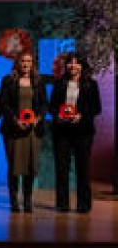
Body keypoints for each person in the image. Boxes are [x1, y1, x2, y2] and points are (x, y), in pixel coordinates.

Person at [49, 52, 101, 213]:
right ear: (66, 66)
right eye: (70, 63)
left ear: (82, 66)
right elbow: (52, 107)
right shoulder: (59, 83)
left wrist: (81, 115)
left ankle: (83, 204)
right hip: (61, 131)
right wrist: (57, 115)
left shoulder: (91, 84)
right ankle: (62, 204)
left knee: (82, 168)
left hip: (83, 132)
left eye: (76, 63)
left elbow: (96, 108)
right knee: (61, 169)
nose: (73, 66)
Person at [0, 51, 47, 213]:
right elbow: (4, 103)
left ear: (32, 64)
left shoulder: (38, 81)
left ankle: (27, 200)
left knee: (30, 166)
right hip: (13, 130)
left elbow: (44, 104)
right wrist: (15, 120)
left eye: (29, 61)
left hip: (33, 130)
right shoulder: (8, 80)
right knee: (14, 166)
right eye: (22, 61)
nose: (25, 64)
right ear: (17, 63)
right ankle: (14, 200)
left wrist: (37, 119)